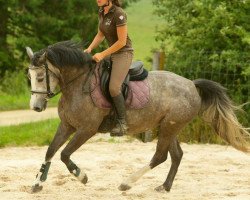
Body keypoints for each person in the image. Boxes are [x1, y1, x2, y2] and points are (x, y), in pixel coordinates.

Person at [84, 0, 133, 136]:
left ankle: (122, 122)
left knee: (113, 87)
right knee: (96, 79)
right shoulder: (102, 12)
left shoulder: (119, 14)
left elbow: (122, 42)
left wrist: (102, 53)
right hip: (111, 54)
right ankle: (108, 116)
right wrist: (90, 49)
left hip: (124, 53)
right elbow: (100, 34)